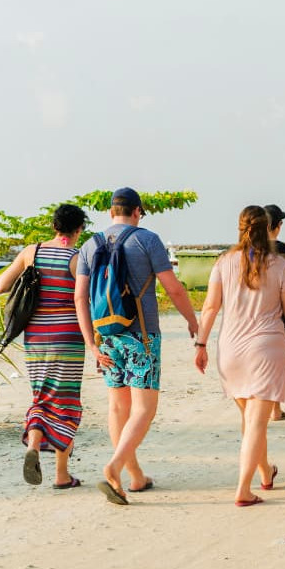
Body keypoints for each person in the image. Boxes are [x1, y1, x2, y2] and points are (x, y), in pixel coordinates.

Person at [75, 187, 200, 506]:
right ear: (137, 211)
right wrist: (192, 321)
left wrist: (91, 343)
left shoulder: (91, 244)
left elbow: (80, 297)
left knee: (118, 406)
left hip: (106, 337)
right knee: (144, 408)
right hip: (141, 336)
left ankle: (134, 476)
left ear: (110, 213)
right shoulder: (147, 240)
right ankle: (115, 466)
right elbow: (173, 288)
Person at [194, 206, 285, 507]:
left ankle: (265, 472)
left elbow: (209, 307)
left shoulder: (223, 262)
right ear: (268, 227)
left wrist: (201, 344)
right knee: (256, 422)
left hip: (230, 350)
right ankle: (243, 490)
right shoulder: (280, 264)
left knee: (250, 418)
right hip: (266, 348)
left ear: (240, 227)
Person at [0, 204, 89, 490]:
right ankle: (62, 475)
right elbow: (85, 299)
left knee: (42, 397)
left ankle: (34, 446)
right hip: (68, 336)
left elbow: (1, 285)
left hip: (36, 336)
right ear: (79, 230)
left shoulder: (30, 252)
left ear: (53, 226)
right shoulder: (76, 258)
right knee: (66, 401)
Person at [263, 204, 285, 422]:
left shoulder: (244, 250)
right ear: (278, 226)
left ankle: (263, 407)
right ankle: (275, 408)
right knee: (274, 362)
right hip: (279, 314)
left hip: (251, 313)